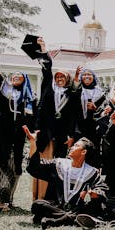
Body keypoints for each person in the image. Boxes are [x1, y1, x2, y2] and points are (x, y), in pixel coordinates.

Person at [0, 43, 36, 211]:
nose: (16, 77)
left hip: (17, 139)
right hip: (1, 136)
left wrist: (33, 133)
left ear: (25, 79)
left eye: (20, 76)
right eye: (14, 76)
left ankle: (8, 200)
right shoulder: (4, 92)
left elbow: (32, 119)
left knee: (15, 168)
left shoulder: (29, 99)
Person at [23, 126, 108, 229]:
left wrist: (95, 193)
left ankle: (56, 221)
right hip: (59, 208)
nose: (72, 147)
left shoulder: (91, 173)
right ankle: (72, 219)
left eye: (76, 146)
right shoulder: (59, 164)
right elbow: (35, 167)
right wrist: (33, 142)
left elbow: (102, 189)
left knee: (91, 208)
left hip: (79, 207)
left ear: (83, 152)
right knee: (37, 204)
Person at [33, 38, 77, 200]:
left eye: (62, 78)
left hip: (61, 135)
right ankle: (40, 196)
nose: (59, 80)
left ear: (67, 80)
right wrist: (44, 49)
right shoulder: (48, 89)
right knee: (43, 163)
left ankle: (53, 197)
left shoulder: (70, 95)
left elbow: (73, 117)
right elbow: (46, 69)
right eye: (57, 78)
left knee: (59, 164)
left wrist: (72, 135)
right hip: (45, 132)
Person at [71, 66, 106, 167]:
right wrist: (76, 75)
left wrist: (96, 109)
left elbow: (104, 111)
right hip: (80, 126)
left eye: (89, 74)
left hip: (94, 127)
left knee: (92, 152)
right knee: (79, 150)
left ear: (94, 77)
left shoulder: (101, 92)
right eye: (84, 75)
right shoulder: (78, 90)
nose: (87, 76)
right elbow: (73, 103)